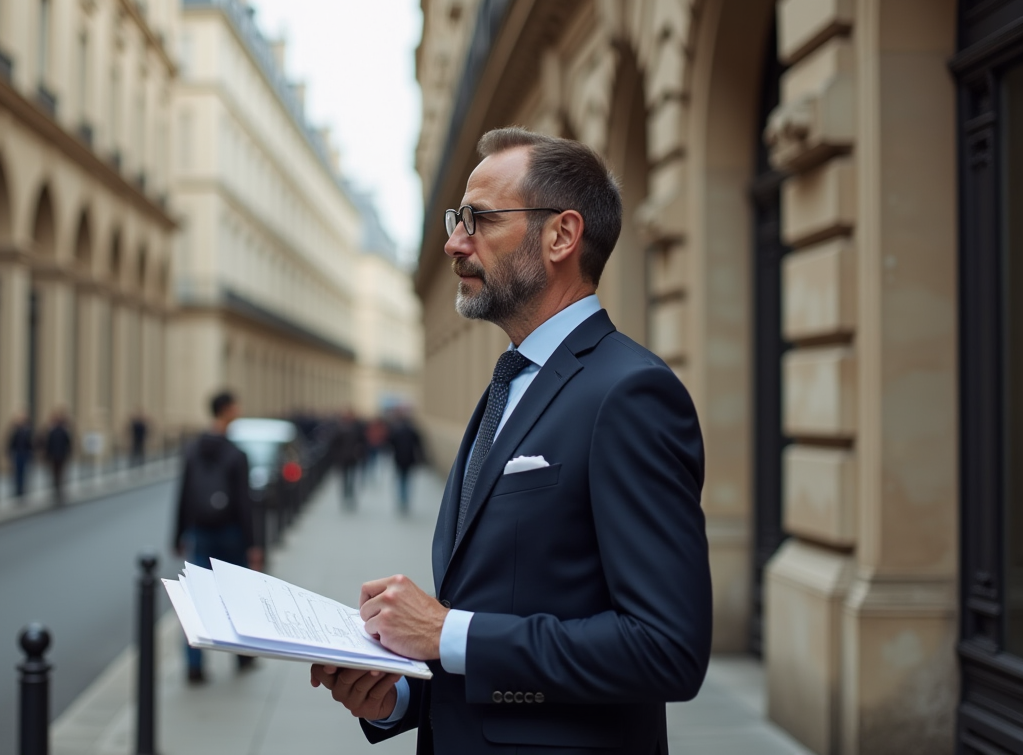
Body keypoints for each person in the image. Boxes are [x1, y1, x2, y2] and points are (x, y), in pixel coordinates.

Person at [309, 128, 712, 754]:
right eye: (455, 219)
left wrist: (445, 631)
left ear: (561, 235)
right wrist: (402, 695)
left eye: (479, 220)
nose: (453, 243)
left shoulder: (631, 394)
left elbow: (666, 648)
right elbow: (504, 607)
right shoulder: (510, 382)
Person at [173, 391, 264, 683]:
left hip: (200, 530)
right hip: (231, 533)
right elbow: (244, 503)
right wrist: (253, 544)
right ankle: (242, 655)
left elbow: (184, 494)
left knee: (198, 597)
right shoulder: (236, 454)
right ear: (227, 410)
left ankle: (194, 664)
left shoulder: (193, 449)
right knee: (236, 595)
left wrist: (178, 534)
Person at [386, 408, 425, 514]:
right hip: (409, 459)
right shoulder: (412, 430)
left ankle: (402, 499)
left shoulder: (396, 430)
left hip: (399, 459)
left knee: (401, 479)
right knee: (407, 480)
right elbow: (419, 445)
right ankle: (405, 500)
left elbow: (390, 444)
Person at [42, 409, 73, 505]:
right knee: (56, 475)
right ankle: (57, 491)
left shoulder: (62, 431)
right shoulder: (53, 430)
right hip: (56, 456)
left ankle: (58, 491)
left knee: (59, 474)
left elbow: (68, 443)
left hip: (60, 456)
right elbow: (48, 444)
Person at [6, 412, 34, 499]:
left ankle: (22, 489)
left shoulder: (27, 431)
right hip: (17, 453)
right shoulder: (16, 431)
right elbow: (11, 442)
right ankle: (18, 489)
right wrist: (10, 452)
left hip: (25, 454)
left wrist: (31, 452)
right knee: (17, 473)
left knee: (24, 472)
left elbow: (30, 443)